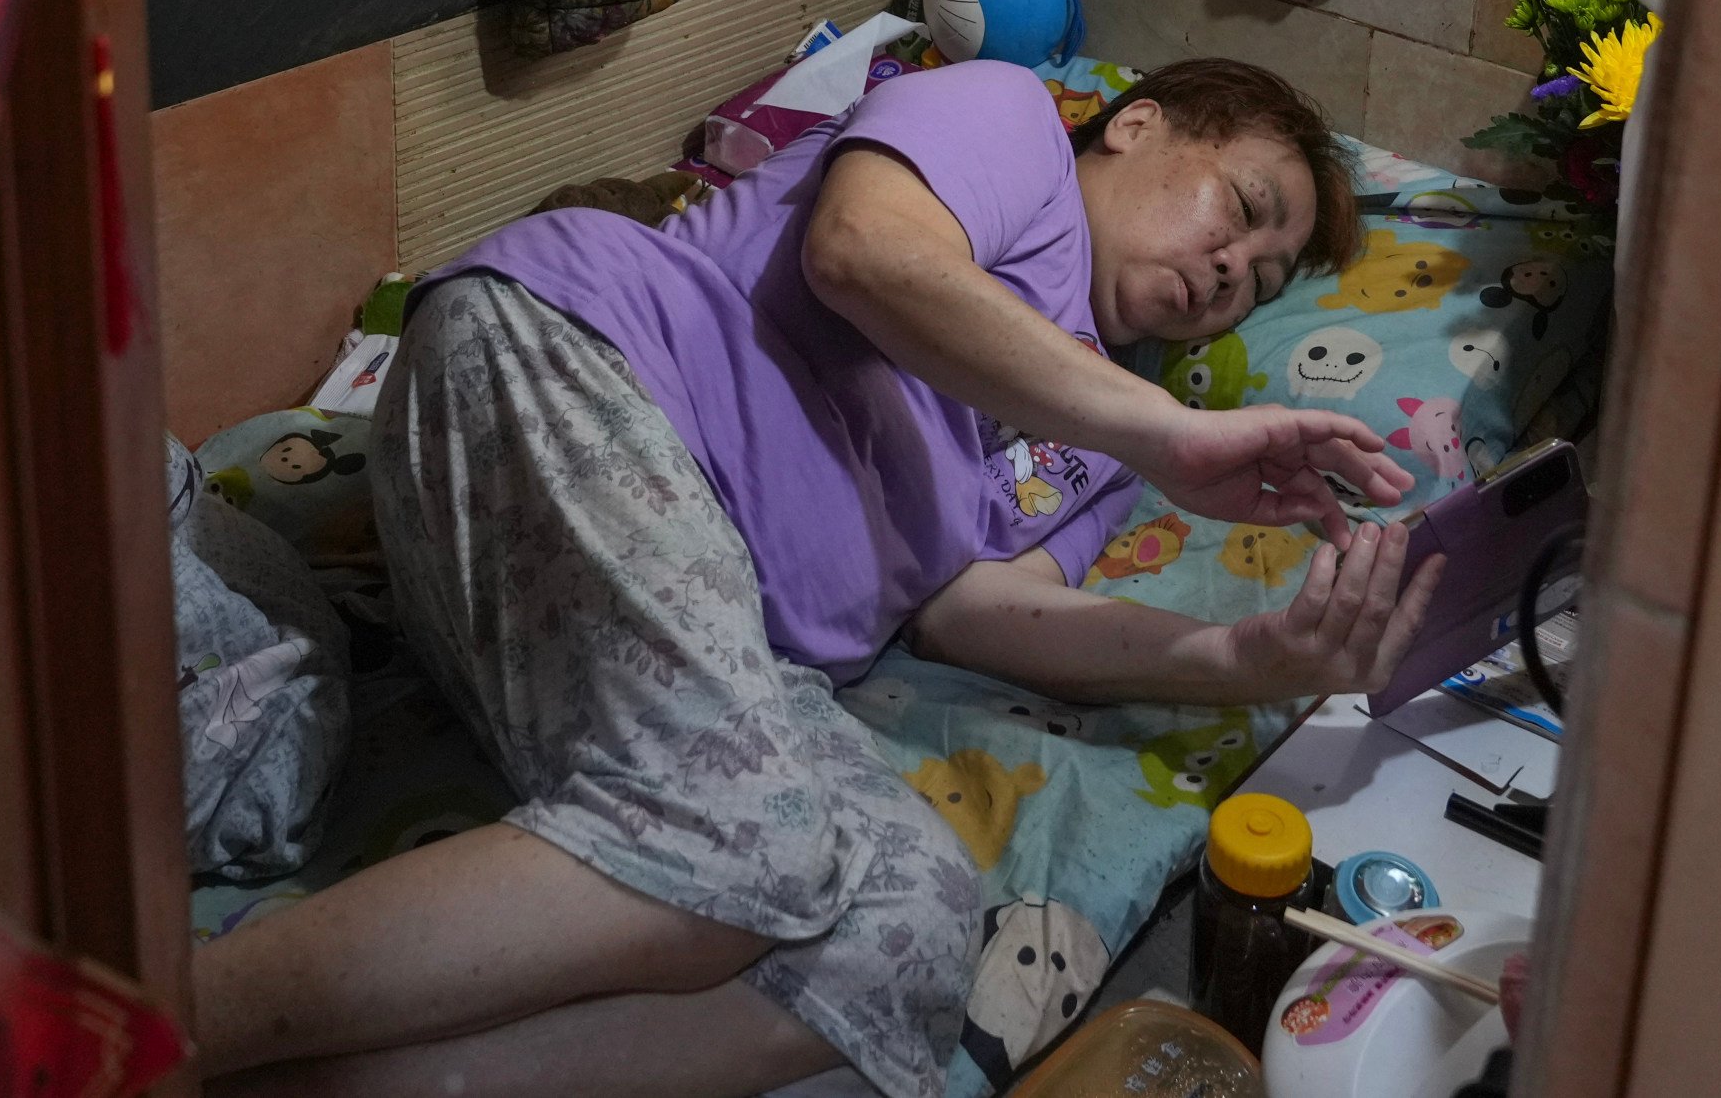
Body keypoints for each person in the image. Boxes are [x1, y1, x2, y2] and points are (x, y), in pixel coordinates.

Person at [198, 55, 1444, 1098]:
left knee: (905, 938)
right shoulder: (1007, 123)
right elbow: (864, 252)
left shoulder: (1109, 448)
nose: (1235, 274)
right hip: (585, 370)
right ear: (1135, 124)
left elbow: (972, 610)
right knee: (747, 835)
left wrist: (1251, 663)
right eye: (1241, 208)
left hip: (722, 625)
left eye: (1265, 283)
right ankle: (163, 1016)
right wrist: (1159, 431)